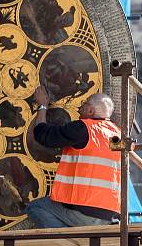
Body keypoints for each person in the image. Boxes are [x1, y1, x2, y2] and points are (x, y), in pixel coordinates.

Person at [24, 86, 121, 228]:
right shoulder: (117, 135)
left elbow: (43, 135)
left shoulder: (83, 129)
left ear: (90, 111)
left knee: (35, 207)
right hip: (109, 214)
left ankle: (64, 239)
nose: (80, 107)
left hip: (83, 210)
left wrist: (43, 105)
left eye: (85, 103)